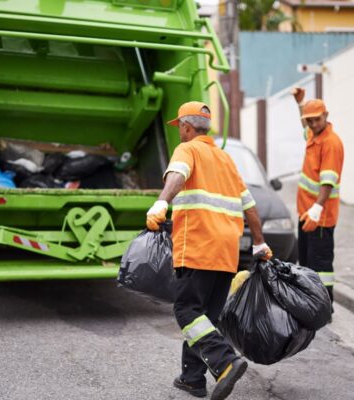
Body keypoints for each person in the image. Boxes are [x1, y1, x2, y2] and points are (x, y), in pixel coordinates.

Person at [146, 101, 272, 399]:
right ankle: (192, 379)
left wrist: (162, 202)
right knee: (205, 318)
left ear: (188, 128)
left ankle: (225, 361)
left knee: (187, 311)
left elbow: (176, 176)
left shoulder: (187, 150)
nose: (180, 132)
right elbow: (250, 207)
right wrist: (259, 242)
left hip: (197, 247)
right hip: (226, 254)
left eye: (180, 128)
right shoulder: (226, 159)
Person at [291, 88, 344, 302]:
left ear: (326, 116)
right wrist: (300, 103)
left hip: (320, 217)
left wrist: (317, 209)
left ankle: (324, 305)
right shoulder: (314, 135)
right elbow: (305, 126)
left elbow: (328, 182)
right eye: (310, 121)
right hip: (307, 213)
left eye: (316, 120)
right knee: (306, 261)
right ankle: (309, 302)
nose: (312, 124)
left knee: (320, 264)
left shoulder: (331, 143)